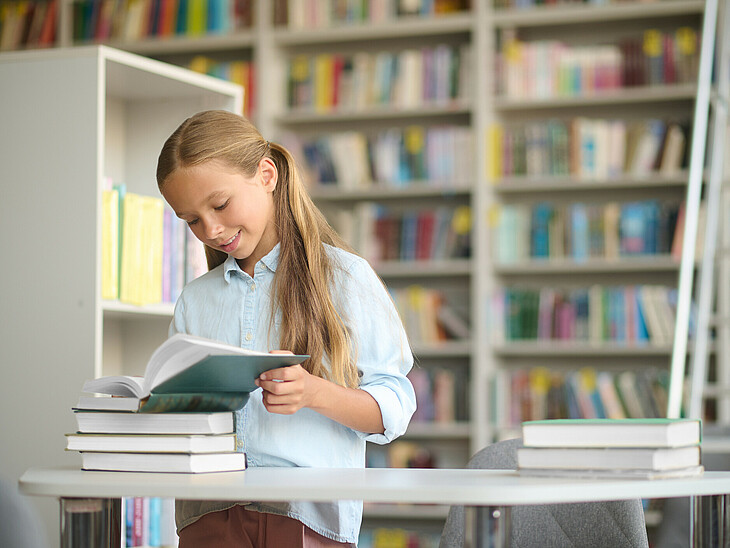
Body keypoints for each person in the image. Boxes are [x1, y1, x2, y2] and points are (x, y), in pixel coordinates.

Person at [156, 110, 417, 547]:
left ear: (267, 175)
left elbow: (394, 407)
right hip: (207, 515)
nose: (211, 230)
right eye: (192, 220)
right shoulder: (195, 301)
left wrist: (314, 392)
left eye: (219, 205)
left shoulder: (345, 279)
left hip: (307, 517)